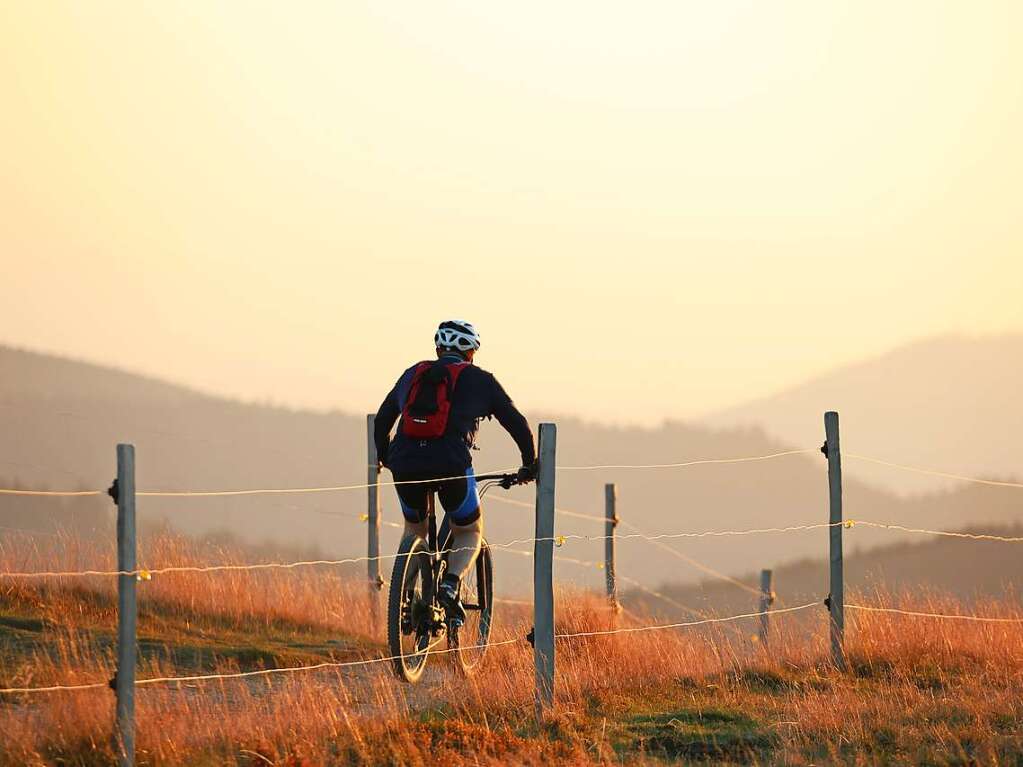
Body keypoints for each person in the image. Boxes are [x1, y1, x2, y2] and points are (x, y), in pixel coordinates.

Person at [373, 319, 536, 626]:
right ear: (471, 352)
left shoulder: (413, 375)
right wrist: (529, 464)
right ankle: (450, 583)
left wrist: (385, 457)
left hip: (405, 461)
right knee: (469, 531)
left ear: (438, 348)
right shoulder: (480, 379)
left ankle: (403, 602)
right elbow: (517, 423)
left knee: (414, 531)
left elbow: (382, 420)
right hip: (450, 462)